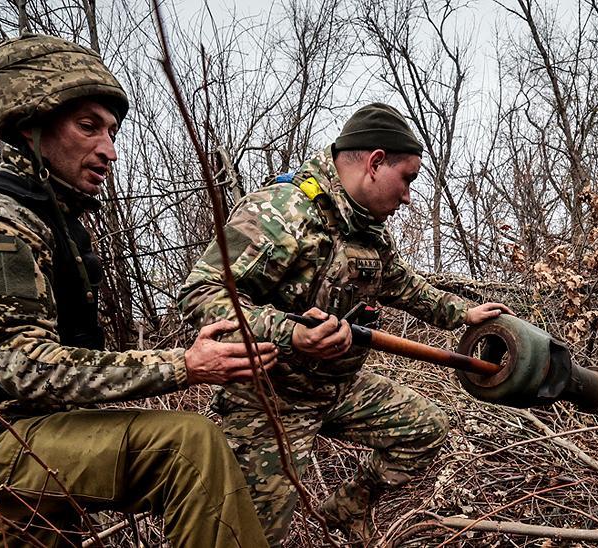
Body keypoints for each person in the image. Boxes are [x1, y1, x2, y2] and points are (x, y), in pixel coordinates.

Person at [0, 33, 272, 548]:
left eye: (111, 131)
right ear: (30, 126)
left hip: (36, 428)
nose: (109, 150)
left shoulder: (47, 214)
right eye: (89, 127)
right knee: (189, 445)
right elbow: (22, 365)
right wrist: (184, 365)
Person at [177, 102, 512, 544]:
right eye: (407, 179)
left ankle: (348, 506)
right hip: (271, 402)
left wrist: (460, 312)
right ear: (375, 163)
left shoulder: (367, 228)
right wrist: (291, 332)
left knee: (426, 427)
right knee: (251, 537)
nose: (409, 196)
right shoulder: (282, 212)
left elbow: (400, 283)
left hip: (337, 389)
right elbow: (202, 295)